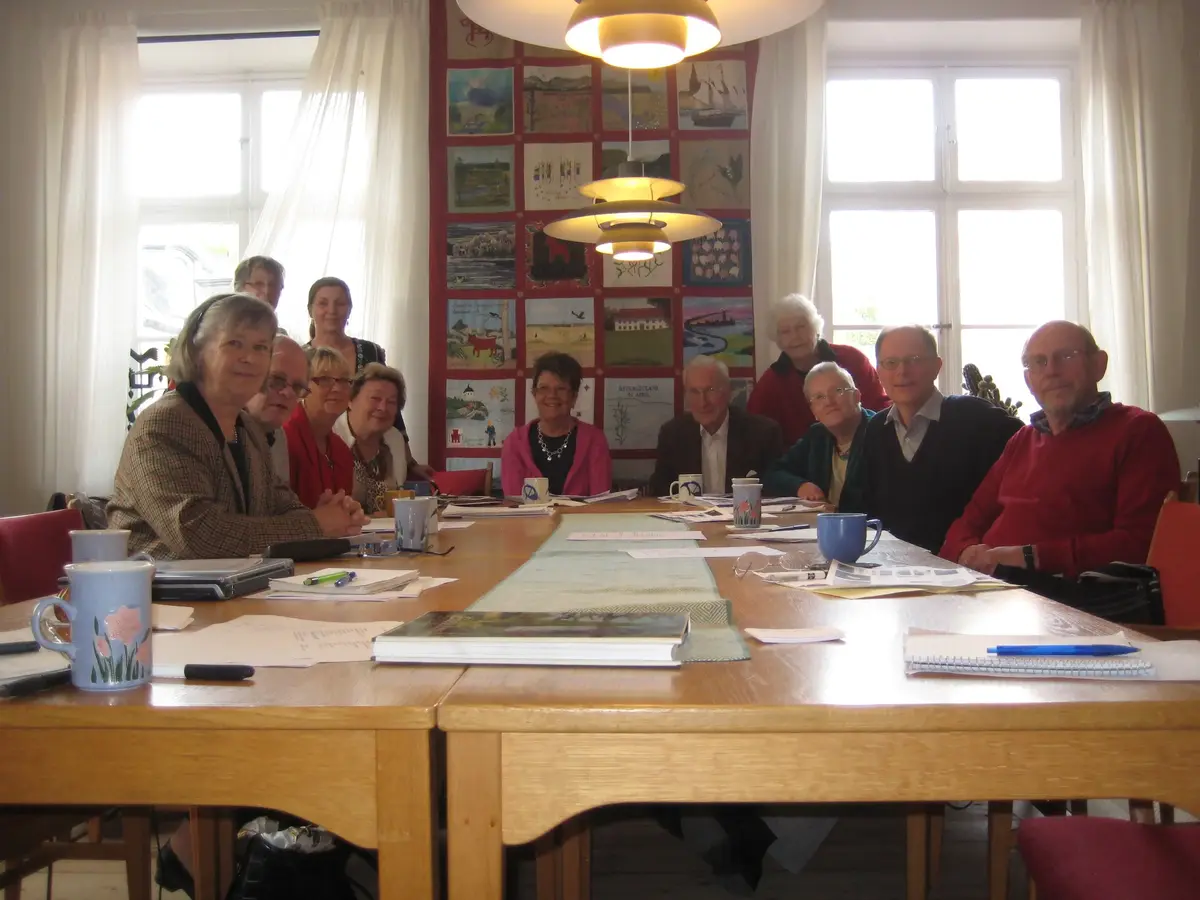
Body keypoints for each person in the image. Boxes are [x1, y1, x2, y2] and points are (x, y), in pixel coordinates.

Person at [107, 293, 368, 560]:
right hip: (154, 585)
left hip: (241, 583)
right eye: (235, 343)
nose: (250, 358)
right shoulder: (164, 424)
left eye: (261, 348)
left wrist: (324, 518)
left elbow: (285, 508)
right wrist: (316, 524)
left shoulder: (248, 430)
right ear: (197, 351)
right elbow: (201, 537)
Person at [942, 321, 1180, 598]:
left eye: (1066, 356)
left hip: (1069, 598)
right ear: (1029, 380)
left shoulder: (1138, 431)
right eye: (1039, 362)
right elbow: (967, 522)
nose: (1052, 371)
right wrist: (965, 551)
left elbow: (1142, 543)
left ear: (1099, 365)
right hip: (990, 588)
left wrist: (1028, 557)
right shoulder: (1023, 439)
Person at [863, 325, 1022, 553]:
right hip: (892, 564)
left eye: (914, 360)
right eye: (891, 362)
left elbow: (1029, 470)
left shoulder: (979, 419)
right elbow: (868, 509)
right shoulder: (876, 429)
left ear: (937, 366)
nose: (902, 371)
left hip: (962, 567)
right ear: (878, 371)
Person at [305, 276, 433, 479]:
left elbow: (389, 404)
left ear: (349, 310)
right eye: (323, 303)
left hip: (367, 449)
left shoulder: (369, 350)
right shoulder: (300, 357)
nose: (332, 310)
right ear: (310, 310)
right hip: (315, 447)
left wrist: (409, 462)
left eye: (340, 303)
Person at [747, 294, 889, 445]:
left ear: (816, 328)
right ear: (778, 340)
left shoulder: (852, 359)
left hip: (864, 446)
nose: (795, 336)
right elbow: (754, 429)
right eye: (785, 331)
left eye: (801, 327)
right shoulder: (771, 382)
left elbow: (881, 408)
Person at [650, 356, 784, 497]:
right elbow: (660, 491)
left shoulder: (763, 433)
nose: (703, 402)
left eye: (710, 390)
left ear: (729, 391)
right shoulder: (672, 434)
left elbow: (774, 490)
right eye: (694, 391)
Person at [763, 362, 875, 511]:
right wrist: (800, 486)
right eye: (819, 397)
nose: (829, 402)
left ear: (856, 396)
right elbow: (773, 473)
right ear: (813, 411)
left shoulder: (879, 432)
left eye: (837, 391)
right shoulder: (817, 436)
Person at [501, 352, 612, 497]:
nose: (552, 395)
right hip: (528, 514)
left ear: (574, 397)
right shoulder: (514, 443)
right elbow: (513, 502)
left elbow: (601, 502)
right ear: (534, 394)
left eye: (561, 389)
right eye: (544, 388)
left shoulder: (594, 440)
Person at [332, 363, 420, 515]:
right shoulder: (331, 435)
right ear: (350, 400)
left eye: (391, 402)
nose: (383, 408)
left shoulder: (395, 439)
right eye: (375, 398)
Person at [283, 346, 355, 508]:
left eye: (344, 381)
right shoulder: (284, 438)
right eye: (324, 380)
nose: (337, 388)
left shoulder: (341, 450)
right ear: (303, 388)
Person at [244, 336, 310, 483]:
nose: (288, 393)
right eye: (277, 380)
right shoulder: (213, 433)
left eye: (297, 387)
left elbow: (277, 496)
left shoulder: (278, 436)